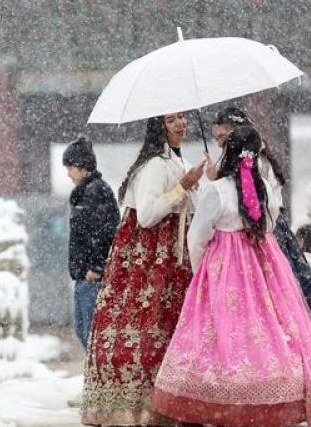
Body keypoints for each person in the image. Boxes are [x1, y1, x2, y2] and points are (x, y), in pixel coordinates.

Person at [152, 125, 311, 427]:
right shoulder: (263, 185)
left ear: (228, 152)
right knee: (268, 327)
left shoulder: (217, 190)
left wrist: (202, 274)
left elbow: (197, 237)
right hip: (264, 264)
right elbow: (271, 223)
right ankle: (269, 389)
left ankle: (226, 396)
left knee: (224, 332)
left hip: (224, 269)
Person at [204, 106, 311, 388]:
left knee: (294, 303)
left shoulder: (255, 161)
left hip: (266, 235)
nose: (220, 143)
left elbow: (252, 202)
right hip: (259, 234)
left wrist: (218, 178)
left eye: (224, 136)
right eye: (216, 137)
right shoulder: (247, 159)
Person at [80, 112, 204, 426]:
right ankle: (139, 406)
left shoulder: (178, 161)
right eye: (171, 119)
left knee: (169, 330)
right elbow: (147, 216)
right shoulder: (153, 167)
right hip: (148, 262)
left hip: (173, 260)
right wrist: (183, 187)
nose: (181, 124)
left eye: (182, 117)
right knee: (145, 331)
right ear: (158, 127)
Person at [62, 137, 120, 351]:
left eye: (70, 167)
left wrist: (97, 267)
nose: (68, 173)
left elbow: (104, 232)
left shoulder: (96, 192)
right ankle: (96, 378)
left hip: (93, 277)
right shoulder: (86, 192)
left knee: (91, 334)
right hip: (85, 274)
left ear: (81, 166)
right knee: (84, 331)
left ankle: (98, 380)